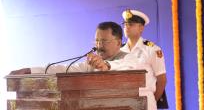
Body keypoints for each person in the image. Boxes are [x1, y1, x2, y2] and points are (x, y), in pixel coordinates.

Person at [10, 21, 138, 74]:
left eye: (104, 41)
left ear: (118, 42)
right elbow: (65, 69)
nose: (99, 46)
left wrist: (106, 66)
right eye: (97, 41)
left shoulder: (129, 58)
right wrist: (30, 70)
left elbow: (124, 66)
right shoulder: (93, 63)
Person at [121, 9, 167, 110]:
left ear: (141, 28)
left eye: (130, 24)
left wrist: (151, 100)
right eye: (125, 24)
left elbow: (161, 80)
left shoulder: (152, 49)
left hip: (145, 100)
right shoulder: (118, 50)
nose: (126, 27)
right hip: (122, 101)